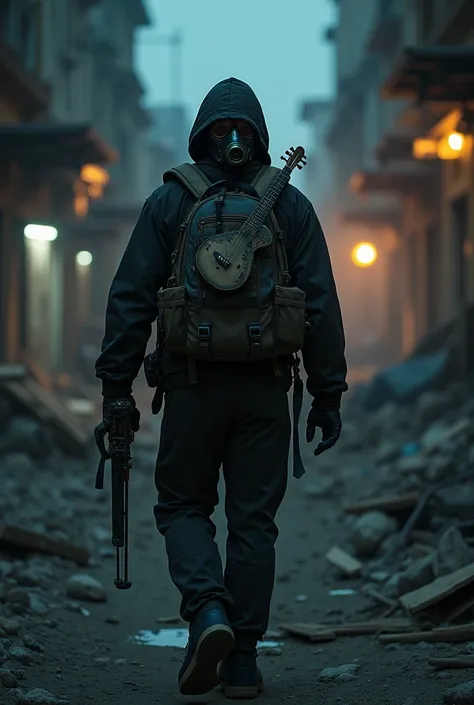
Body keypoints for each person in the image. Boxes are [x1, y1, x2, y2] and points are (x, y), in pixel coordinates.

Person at [95, 77, 348, 699]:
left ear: (201, 135)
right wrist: (328, 392)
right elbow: (319, 302)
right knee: (253, 523)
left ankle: (207, 610)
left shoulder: (171, 201)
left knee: (183, 507)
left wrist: (116, 389)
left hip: (190, 386)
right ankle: (241, 663)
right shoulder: (289, 204)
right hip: (265, 390)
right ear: (261, 137)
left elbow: (129, 298)